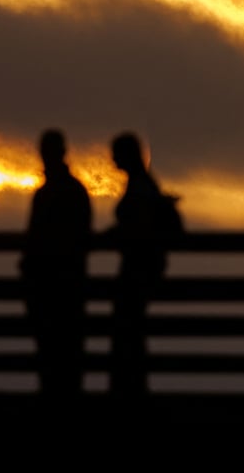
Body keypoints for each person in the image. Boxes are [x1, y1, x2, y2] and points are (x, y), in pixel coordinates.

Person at [105, 132, 182, 398]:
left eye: (116, 154)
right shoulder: (143, 183)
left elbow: (138, 224)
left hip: (138, 268)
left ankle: (129, 388)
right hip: (144, 266)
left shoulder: (140, 186)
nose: (113, 160)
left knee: (128, 327)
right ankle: (133, 386)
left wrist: (116, 234)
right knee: (131, 328)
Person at [19, 129, 92, 400]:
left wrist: (29, 270)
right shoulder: (75, 191)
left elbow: (36, 238)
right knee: (67, 354)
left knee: (52, 353)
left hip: (52, 287)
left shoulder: (50, 194)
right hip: (70, 286)